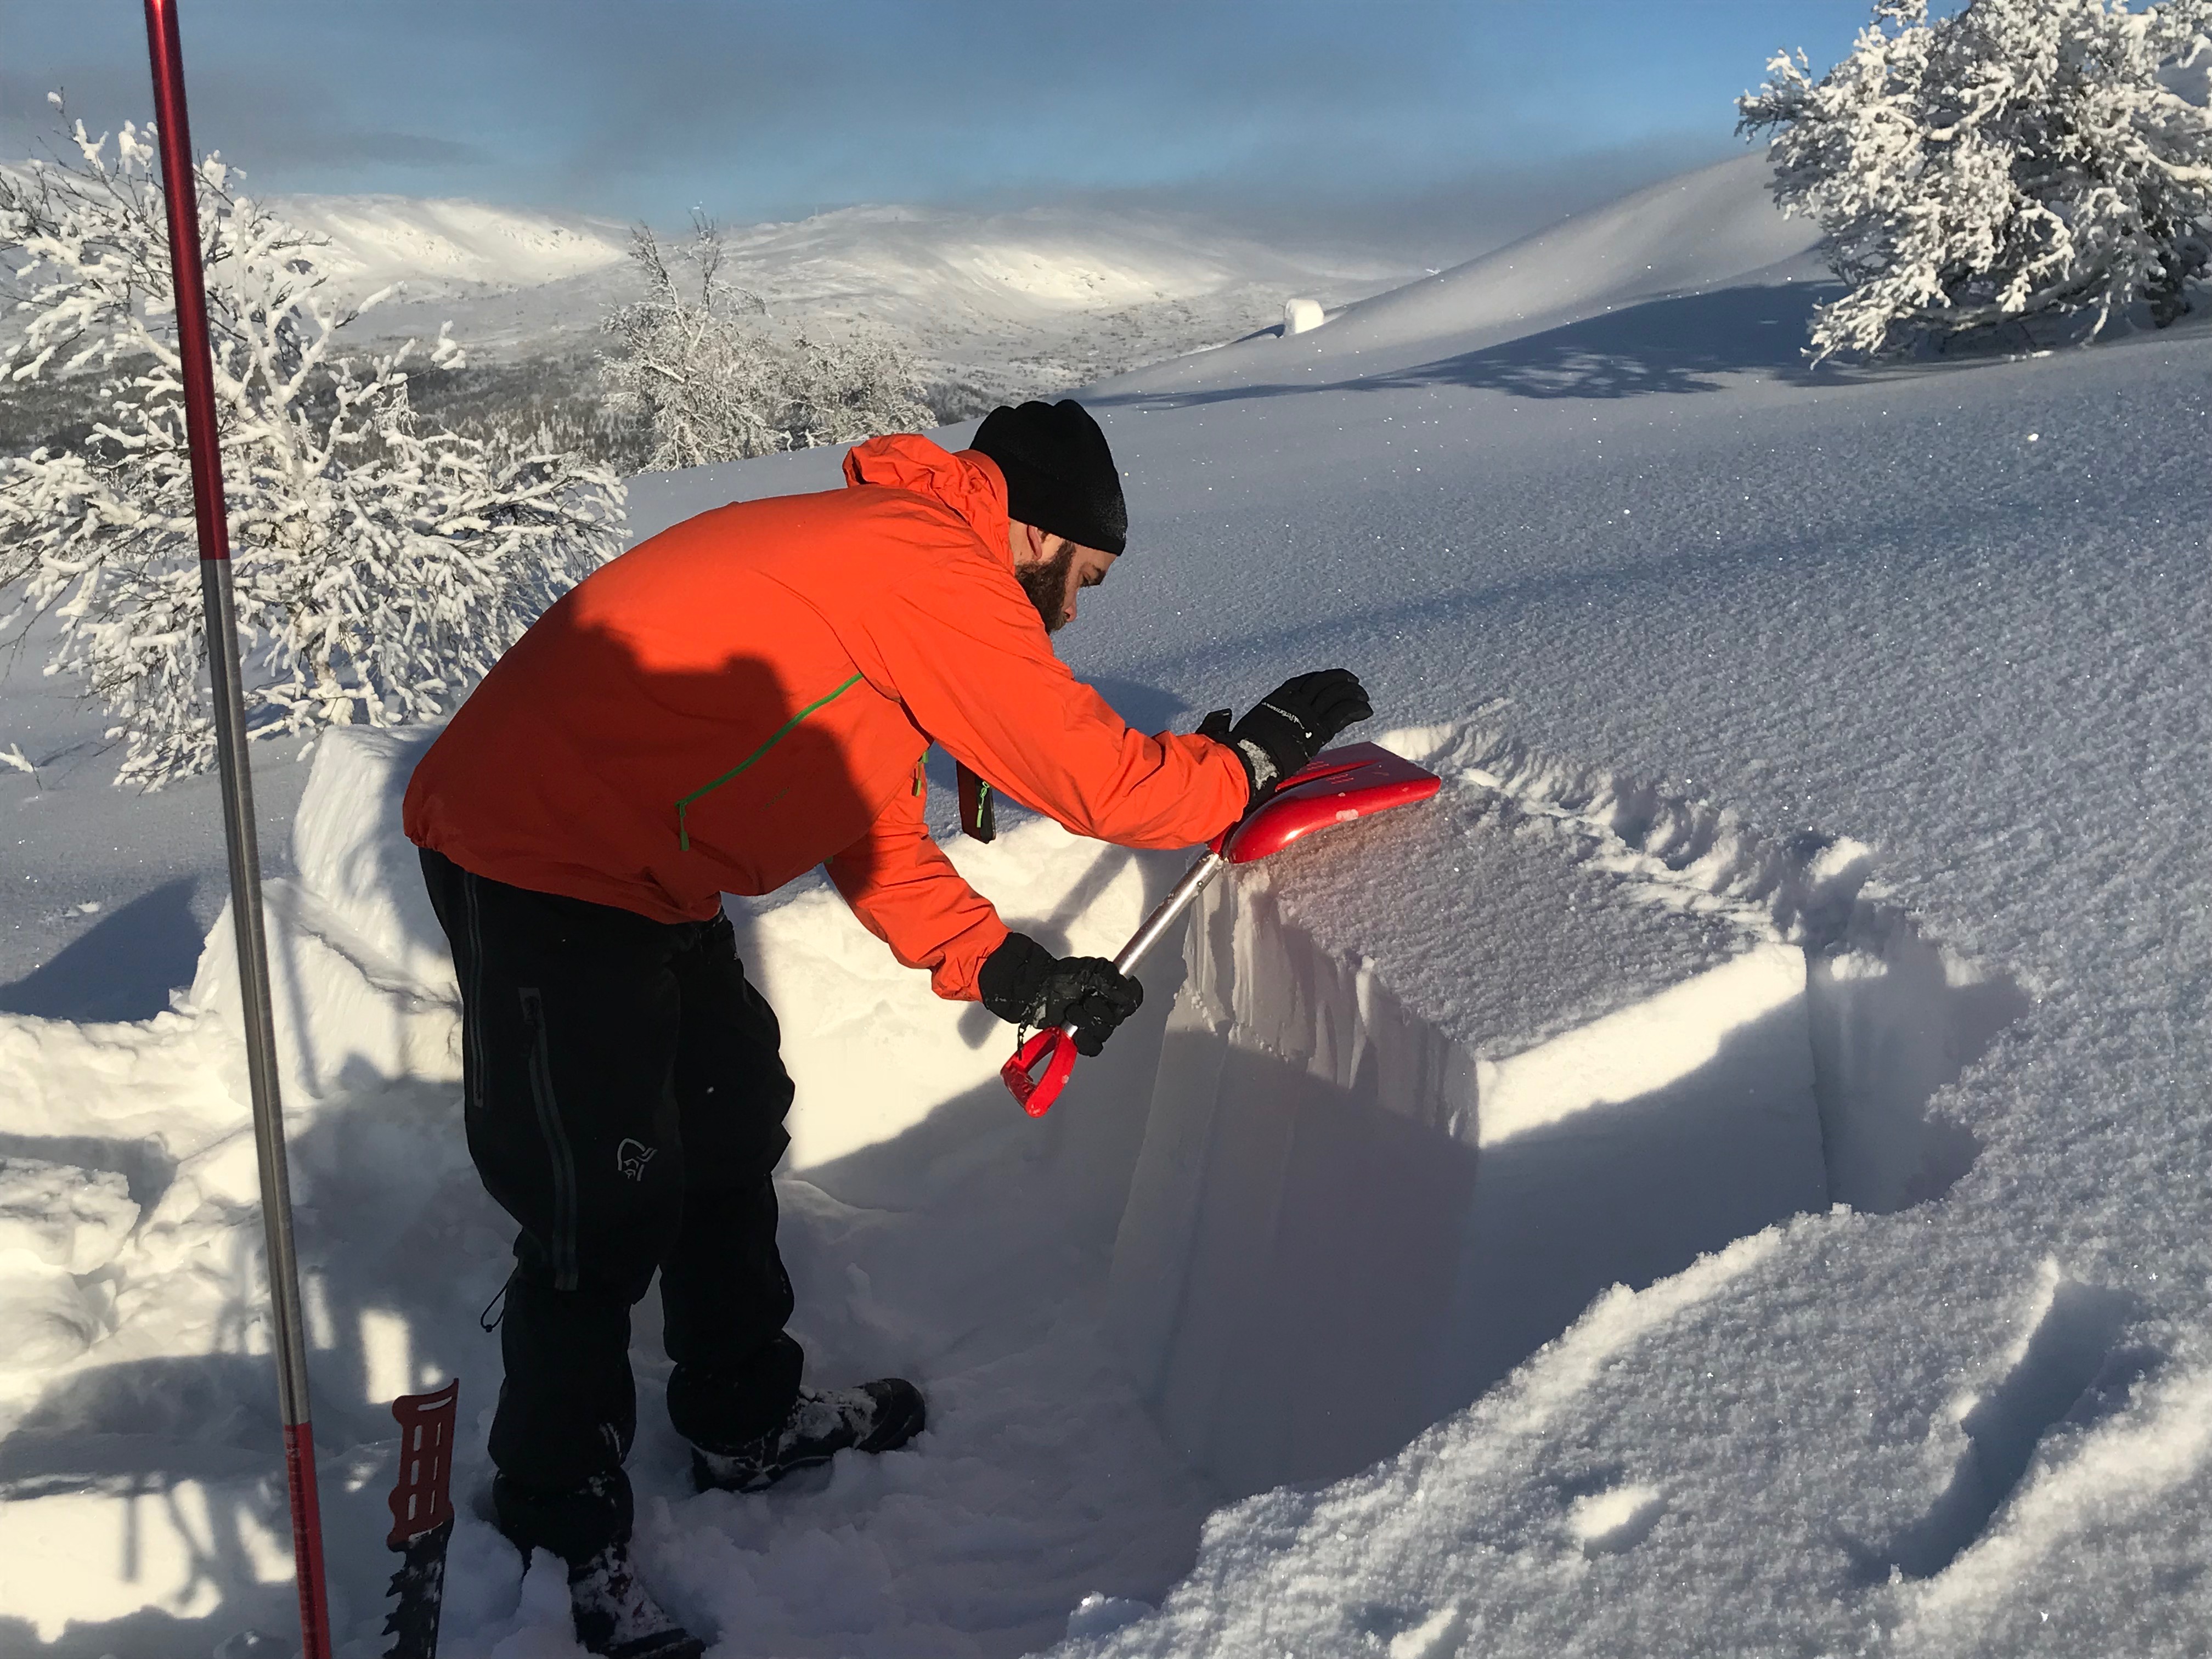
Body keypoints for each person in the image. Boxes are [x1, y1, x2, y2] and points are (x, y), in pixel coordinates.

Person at [403, 398, 1370, 1658]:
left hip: (643, 870)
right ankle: (555, 1535)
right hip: (536, 856)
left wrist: (1012, 974)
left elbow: (874, 830)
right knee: (603, 1204)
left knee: (727, 1118)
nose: (1074, 613)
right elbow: (1104, 782)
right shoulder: (917, 558)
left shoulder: (888, 572)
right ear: (1029, 527)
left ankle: (744, 1418)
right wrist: (1247, 765)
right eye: (1079, 576)